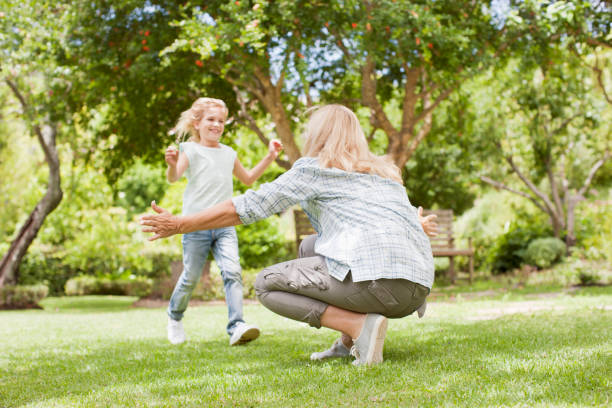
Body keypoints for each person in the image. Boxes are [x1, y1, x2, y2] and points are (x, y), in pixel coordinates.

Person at [142, 104, 437, 366]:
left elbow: (250, 205)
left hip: (379, 285)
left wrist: (180, 223)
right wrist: (416, 226)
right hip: (415, 290)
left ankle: (359, 326)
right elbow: (404, 218)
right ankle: (347, 344)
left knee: (267, 285)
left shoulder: (314, 170)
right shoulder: (384, 173)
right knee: (310, 245)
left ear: (319, 135)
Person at [163, 97, 283, 346]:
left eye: (221, 120)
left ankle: (237, 326)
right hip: (195, 224)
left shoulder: (228, 153)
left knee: (232, 272)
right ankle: (174, 317)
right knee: (191, 276)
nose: (216, 125)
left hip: (225, 224)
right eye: (211, 119)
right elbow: (174, 177)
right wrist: (172, 165)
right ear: (197, 123)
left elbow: (248, 179)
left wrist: (270, 156)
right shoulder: (190, 150)